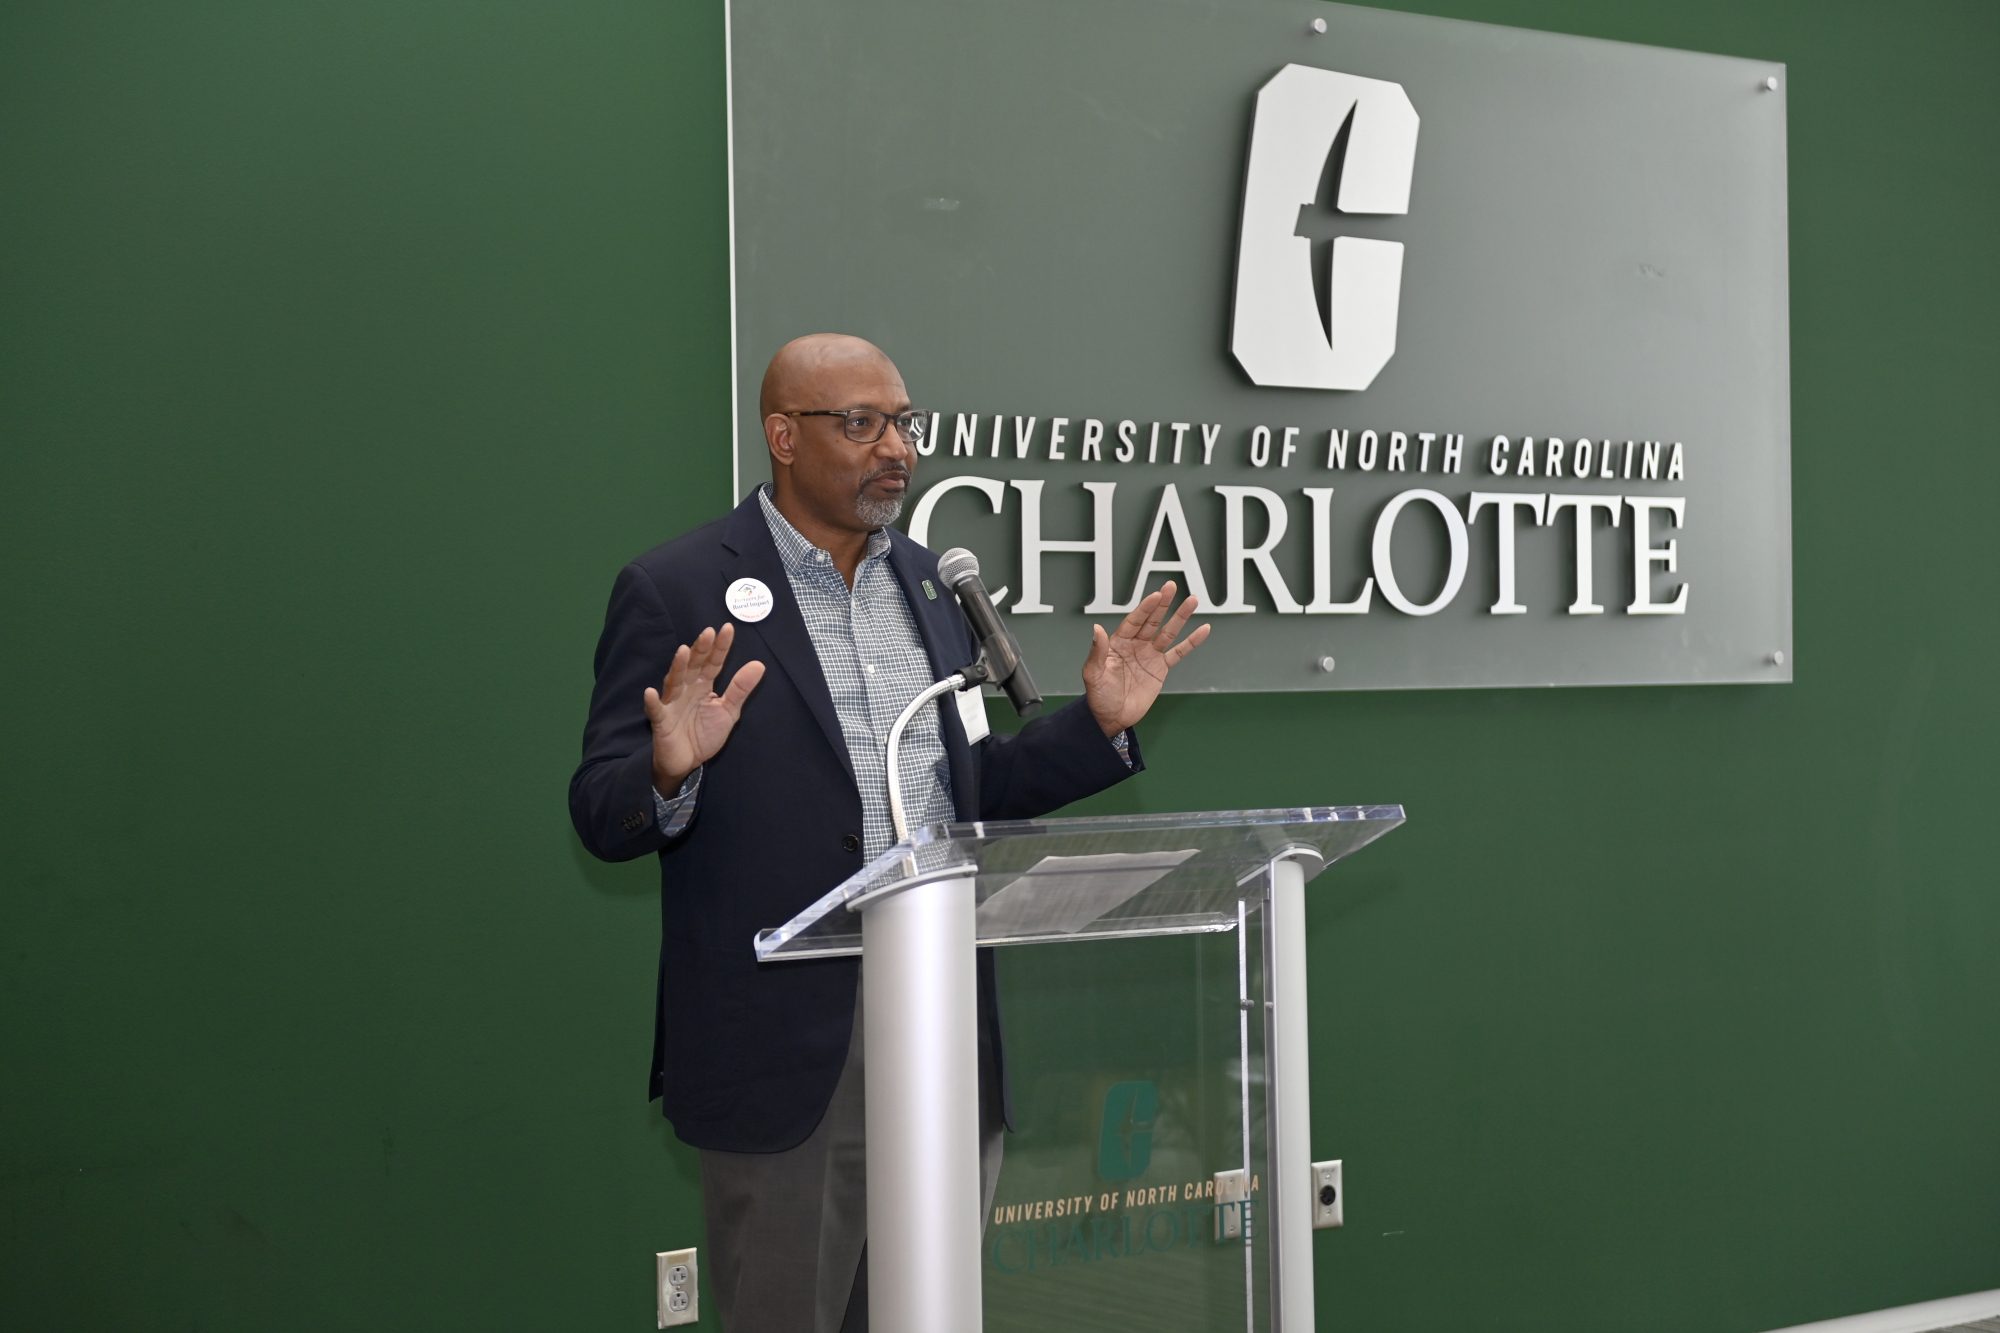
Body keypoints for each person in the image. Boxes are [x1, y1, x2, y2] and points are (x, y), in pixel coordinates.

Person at [568, 333, 1209, 1332]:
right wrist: (667, 767)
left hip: (942, 1012)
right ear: (781, 435)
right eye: (860, 424)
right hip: (785, 1046)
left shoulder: (930, 586)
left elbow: (963, 787)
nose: (895, 449)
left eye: (904, 423)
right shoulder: (677, 588)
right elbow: (599, 806)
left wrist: (1097, 728)